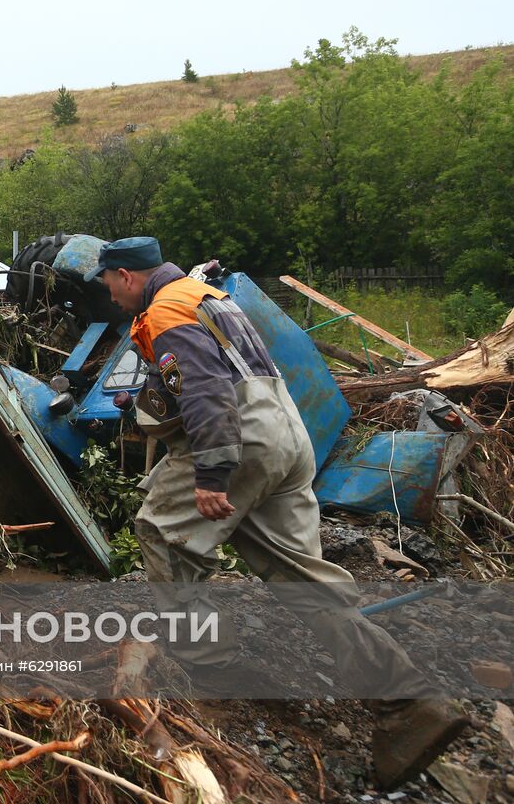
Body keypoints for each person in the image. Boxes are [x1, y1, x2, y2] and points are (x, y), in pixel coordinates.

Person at [87, 236, 471, 791]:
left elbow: (206, 387)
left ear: (124, 275)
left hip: (238, 440)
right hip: (285, 433)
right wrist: (142, 400)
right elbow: (202, 373)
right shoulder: (206, 296)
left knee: (159, 530)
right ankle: (408, 701)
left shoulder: (166, 308)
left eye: (108, 285)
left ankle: (205, 662)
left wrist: (213, 475)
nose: (111, 297)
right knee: (301, 577)